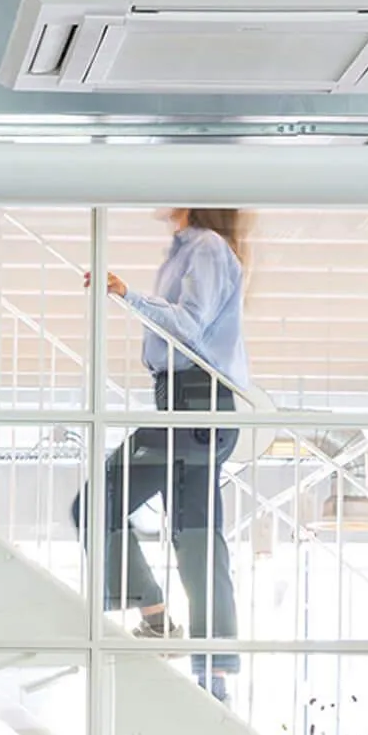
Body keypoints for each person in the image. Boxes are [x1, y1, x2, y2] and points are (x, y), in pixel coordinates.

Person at [76, 207, 250, 701]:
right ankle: (210, 676)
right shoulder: (186, 252)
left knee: (96, 506)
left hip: (196, 397)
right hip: (180, 398)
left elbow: (191, 326)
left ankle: (161, 622)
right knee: (194, 536)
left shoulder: (208, 248)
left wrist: (128, 296)